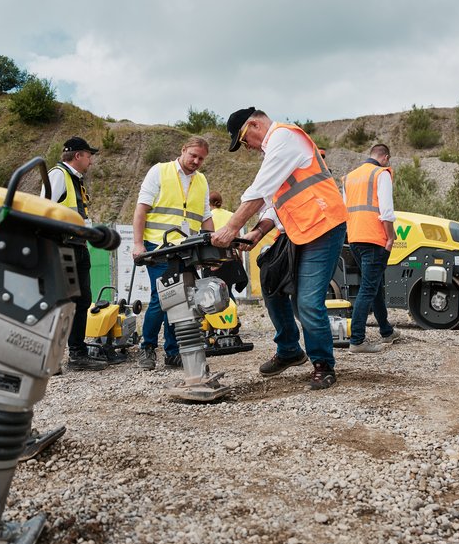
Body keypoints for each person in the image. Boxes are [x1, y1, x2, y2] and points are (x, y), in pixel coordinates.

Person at [212, 108, 347, 390]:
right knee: (270, 280)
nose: (246, 147)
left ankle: (323, 364)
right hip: (299, 229)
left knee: (307, 303)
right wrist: (258, 232)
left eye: (243, 139)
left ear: (254, 124)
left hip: (323, 227)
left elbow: (259, 192)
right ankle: (289, 349)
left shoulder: (284, 138)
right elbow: (274, 202)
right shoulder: (275, 149)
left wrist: (231, 228)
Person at [132, 136, 213, 370]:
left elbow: (206, 216)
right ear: (183, 149)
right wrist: (138, 244)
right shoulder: (159, 171)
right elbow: (141, 210)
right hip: (158, 247)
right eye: (193, 155)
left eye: (201, 158)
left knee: (183, 299)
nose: (196, 161)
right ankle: (147, 348)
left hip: (187, 249)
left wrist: (213, 248)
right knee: (163, 298)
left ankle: (173, 351)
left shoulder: (202, 181)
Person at [43, 136, 107, 371]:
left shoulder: (75, 179)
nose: (91, 161)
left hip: (78, 246)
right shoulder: (58, 175)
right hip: (62, 246)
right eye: (89, 155)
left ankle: (77, 354)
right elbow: (43, 209)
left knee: (82, 301)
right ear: (78, 155)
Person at [342, 143, 400, 353]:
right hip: (374, 238)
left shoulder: (350, 177)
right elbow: (386, 210)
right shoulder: (381, 174)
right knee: (368, 288)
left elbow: (344, 210)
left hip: (355, 238)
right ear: (384, 157)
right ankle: (357, 340)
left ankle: (386, 331)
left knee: (374, 285)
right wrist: (390, 237)